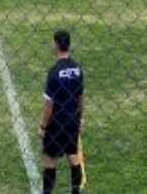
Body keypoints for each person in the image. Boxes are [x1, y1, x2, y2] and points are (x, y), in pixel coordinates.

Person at [38, 30, 85, 194]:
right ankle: (76, 191)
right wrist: (81, 118)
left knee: (49, 160)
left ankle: (47, 192)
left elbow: (49, 105)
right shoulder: (77, 68)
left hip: (56, 122)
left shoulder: (54, 71)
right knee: (73, 157)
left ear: (57, 44)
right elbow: (80, 97)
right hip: (72, 119)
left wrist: (43, 126)